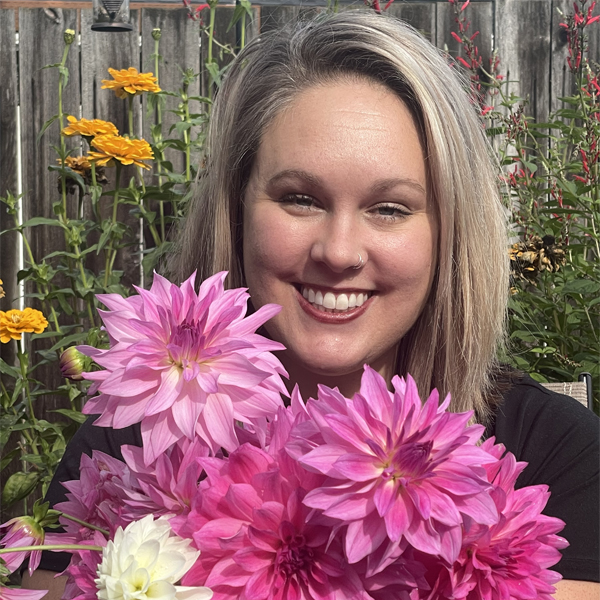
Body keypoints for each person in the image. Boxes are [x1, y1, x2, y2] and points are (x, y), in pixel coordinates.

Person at [24, 10, 599, 599]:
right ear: (237, 211)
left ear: (450, 236)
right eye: (300, 199)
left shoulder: (559, 459)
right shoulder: (131, 444)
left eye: (390, 208)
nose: (340, 251)